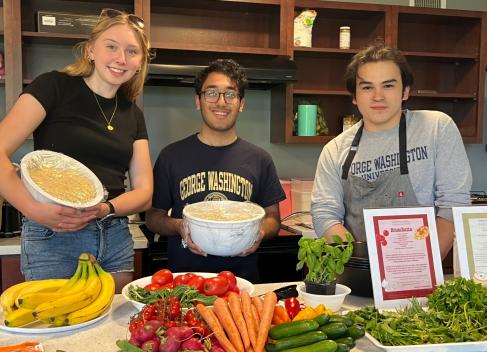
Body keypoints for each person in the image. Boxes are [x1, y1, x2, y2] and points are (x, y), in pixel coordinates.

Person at [0, 9, 154, 291]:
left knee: (112, 331)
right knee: (55, 329)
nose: (121, 59)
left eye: (132, 51)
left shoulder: (132, 114)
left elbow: (144, 192)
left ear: (140, 62)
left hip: (114, 234)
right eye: (111, 47)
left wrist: (105, 209)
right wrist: (34, 210)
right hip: (54, 234)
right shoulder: (53, 87)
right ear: (91, 50)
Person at [311, 44, 472, 259]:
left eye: (388, 86)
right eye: (367, 87)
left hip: (420, 269)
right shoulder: (335, 150)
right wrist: (361, 264)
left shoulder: (436, 128)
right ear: (354, 96)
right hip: (358, 270)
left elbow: (453, 204)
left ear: (405, 91)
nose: (378, 97)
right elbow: (325, 214)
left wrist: (426, 263)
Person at [145, 59, 285, 282]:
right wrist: (180, 226)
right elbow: (153, 217)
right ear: (198, 101)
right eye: (211, 93)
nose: (221, 102)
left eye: (230, 94)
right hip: (185, 283)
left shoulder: (260, 159)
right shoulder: (171, 156)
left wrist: (260, 233)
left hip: (241, 283)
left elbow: (273, 219)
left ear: (241, 103)